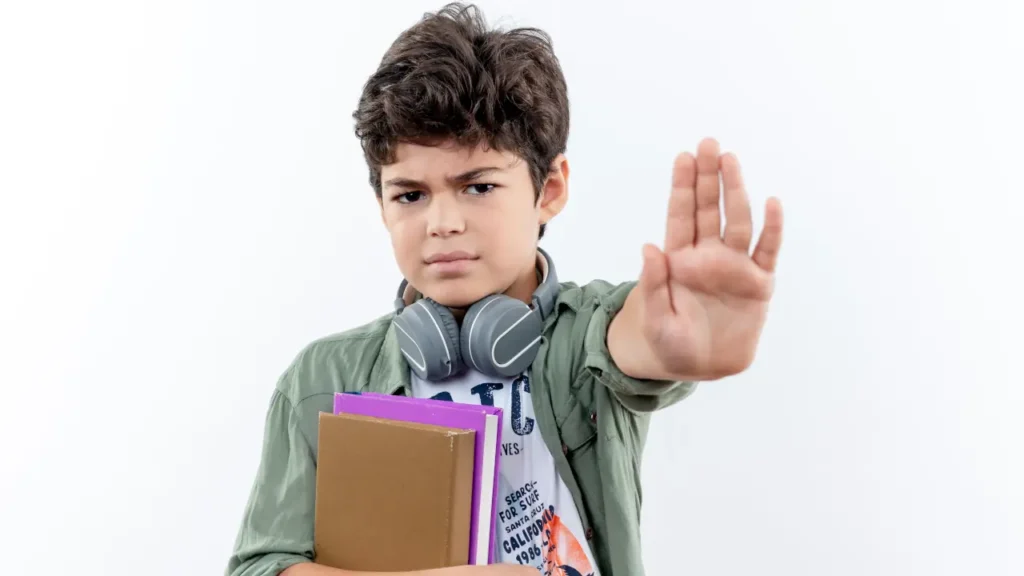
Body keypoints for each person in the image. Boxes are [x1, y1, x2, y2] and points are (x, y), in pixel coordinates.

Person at [225, 3, 783, 576]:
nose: (442, 222)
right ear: (382, 205)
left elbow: (635, 339)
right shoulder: (322, 378)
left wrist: (675, 345)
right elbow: (261, 566)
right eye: (410, 195)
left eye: (478, 186)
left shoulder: (586, 332)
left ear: (550, 189)